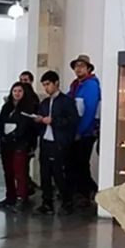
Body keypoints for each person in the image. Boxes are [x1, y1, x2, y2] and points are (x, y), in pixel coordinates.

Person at [34, 71, 80, 216]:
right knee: (45, 173)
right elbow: (41, 118)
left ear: (56, 83)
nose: (46, 88)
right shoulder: (45, 102)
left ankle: (67, 202)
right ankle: (47, 202)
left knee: (59, 174)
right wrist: (39, 120)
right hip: (46, 141)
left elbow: (73, 121)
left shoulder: (66, 101)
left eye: (48, 84)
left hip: (59, 142)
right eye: (44, 85)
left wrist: (54, 121)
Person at [0, 82, 39, 212]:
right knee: (8, 171)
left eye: (20, 91)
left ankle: (22, 198)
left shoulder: (28, 107)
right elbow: (0, 121)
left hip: (20, 143)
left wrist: (16, 134)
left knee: (20, 172)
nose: (17, 93)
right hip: (6, 143)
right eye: (14, 91)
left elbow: (27, 126)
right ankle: (10, 196)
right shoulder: (7, 107)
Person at [68, 54, 101, 208]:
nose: (78, 68)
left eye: (82, 66)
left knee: (81, 163)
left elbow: (89, 111)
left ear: (88, 68)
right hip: (76, 130)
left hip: (85, 133)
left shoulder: (91, 85)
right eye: (76, 66)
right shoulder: (75, 85)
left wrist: (80, 131)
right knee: (75, 163)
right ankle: (85, 191)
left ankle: (87, 193)